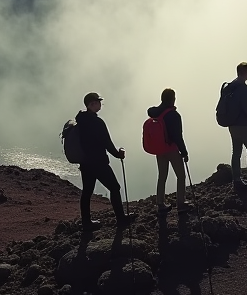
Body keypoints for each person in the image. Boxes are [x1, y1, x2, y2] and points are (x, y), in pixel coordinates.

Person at [75, 91, 134, 232]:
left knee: (87, 192)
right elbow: (107, 143)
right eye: (98, 101)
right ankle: (121, 219)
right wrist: (118, 155)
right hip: (99, 162)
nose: (100, 104)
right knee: (115, 188)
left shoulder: (80, 120)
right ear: (91, 104)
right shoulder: (97, 122)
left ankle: (86, 223)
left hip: (85, 163)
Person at [147, 88, 190, 217]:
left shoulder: (156, 113)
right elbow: (178, 136)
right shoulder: (173, 115)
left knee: (162, 176)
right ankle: (181, 204)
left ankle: (160, 204)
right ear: (172, 99)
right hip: (171, 149)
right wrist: (184, 152)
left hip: (160, 150)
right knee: (181, 175)